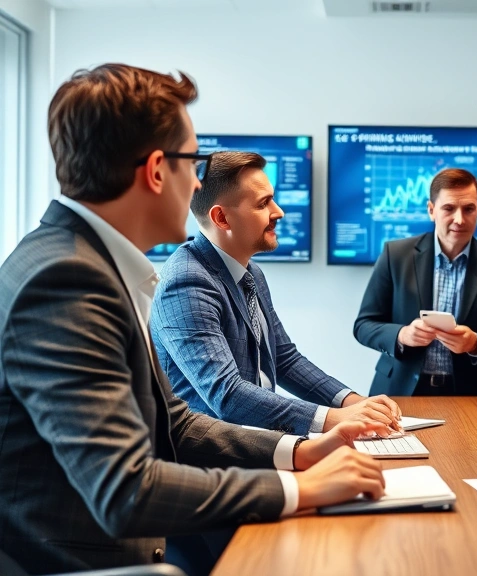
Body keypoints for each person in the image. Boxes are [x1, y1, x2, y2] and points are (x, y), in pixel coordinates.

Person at [0, 64, 386, 574]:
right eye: (192, 162)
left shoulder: (88, 262)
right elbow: (126, 490)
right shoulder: (67, 280)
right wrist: (297, 487)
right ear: (158, 169)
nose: (197, 182)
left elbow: (173, 423)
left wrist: (298, 453)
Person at [152, 152, 402, 436]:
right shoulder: (187, 282)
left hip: (258, 442)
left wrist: (355, 403)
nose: (279, 211)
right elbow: (227, 394)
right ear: (222, 218)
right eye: (263, 203)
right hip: (213, 461)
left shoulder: (251, 273)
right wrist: (334, 418)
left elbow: (284, 359)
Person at [354, 168, 477, 396]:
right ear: (431, 210)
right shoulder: (396, 255)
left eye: (469, 209)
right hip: (400, 390)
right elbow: (363, 326)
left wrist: (475, 344)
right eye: (449, 208)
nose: (459, 219)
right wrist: (402, 335)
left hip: (467, 395)